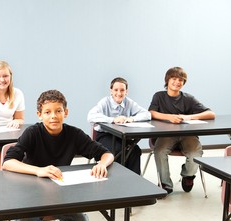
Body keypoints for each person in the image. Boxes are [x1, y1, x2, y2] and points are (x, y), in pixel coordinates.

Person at [2, 90, 114, 221]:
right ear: (39, 115)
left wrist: (102, 163)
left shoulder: (73, 134)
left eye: (58, 111)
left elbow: (107, 154)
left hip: (61, 192)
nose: (53, 116)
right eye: (47, 112)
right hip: (31, 192)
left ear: (65, 113)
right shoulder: (32, 133)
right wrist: (39, 170)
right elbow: (8, 162)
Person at [148, 66, 216, 194]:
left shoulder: (188, 98)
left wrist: (189, 116)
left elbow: (211, 114)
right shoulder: (158, 96)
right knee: (160, 151)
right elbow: (151, 113)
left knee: (195, 153)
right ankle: (165, 184)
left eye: (181, 80)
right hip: (166, 135)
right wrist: (169, 117)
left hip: (187, 135)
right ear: (167, 80)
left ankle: (188, 175)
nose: (177, 82)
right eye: (174, 79)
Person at [87, 77, 151, 175]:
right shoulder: (105, 102)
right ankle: (116, 179)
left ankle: (134, 181)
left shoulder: (129, 102)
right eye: (116, 90)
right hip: (104, 136)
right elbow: (91, 116)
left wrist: (132, 119)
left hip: (122, 137)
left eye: (122, 90)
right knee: (118, 150)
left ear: (126, 92)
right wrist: (112, 120)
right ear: (111, 91)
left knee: (135, 150)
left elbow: (147, 114)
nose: (119, 93)